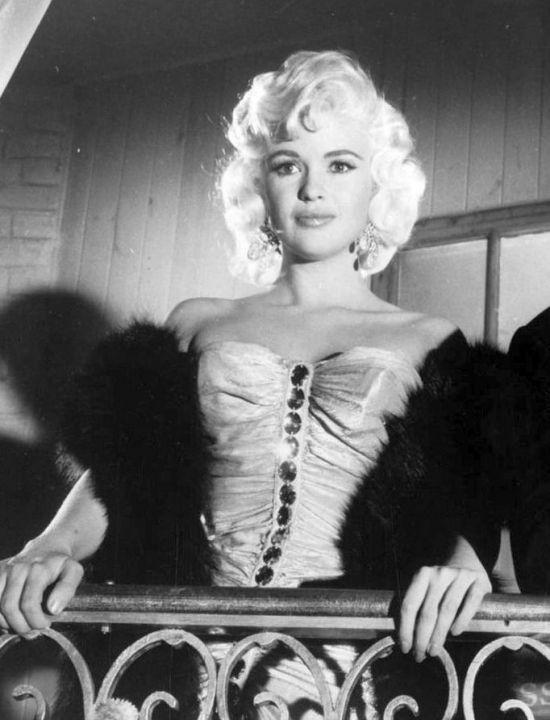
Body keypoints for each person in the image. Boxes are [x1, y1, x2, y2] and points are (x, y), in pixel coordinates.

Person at [0, 50, 497, 718]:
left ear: (378, 187)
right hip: (184, 666)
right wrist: (49, 544)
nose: (312, 189)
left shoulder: (432, 339)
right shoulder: (198, 322)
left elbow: (461, 502)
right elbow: (122, 473)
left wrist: (468, 563)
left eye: (341, 165)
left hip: (351, 672)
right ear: (259, 184)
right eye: (289, 164)